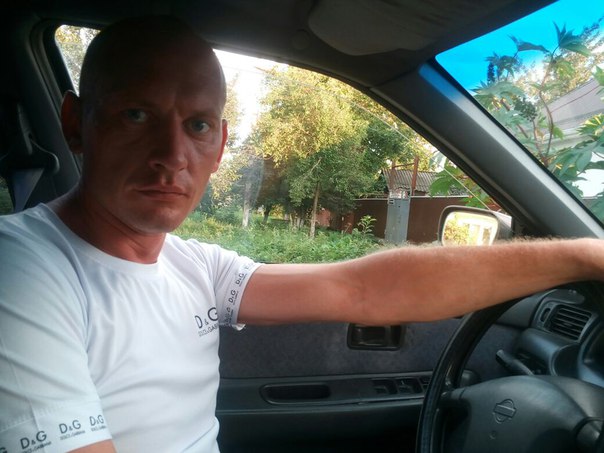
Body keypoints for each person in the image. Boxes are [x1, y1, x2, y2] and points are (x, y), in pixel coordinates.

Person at [1, 15, 603, 453]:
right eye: (137, 114)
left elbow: (361, 289)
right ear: (77, 123)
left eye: (198, 125)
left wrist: (584, 255)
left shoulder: (192, 266)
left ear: (221, 145)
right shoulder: (21, 268)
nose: (172, 155)